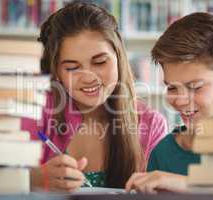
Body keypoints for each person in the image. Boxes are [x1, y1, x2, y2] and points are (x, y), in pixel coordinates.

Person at [21, 1, 167, 192]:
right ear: (56, 71)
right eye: (72, 68)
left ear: (119, 58)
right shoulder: (35, 112)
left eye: (99, 62)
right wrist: (33, 179)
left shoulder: (152, 124)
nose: (89, 78)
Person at [126, 12, 213, 194]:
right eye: (172, 88)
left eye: (195, 87)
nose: (180, 100)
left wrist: (188, 185)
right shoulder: (163, 153)